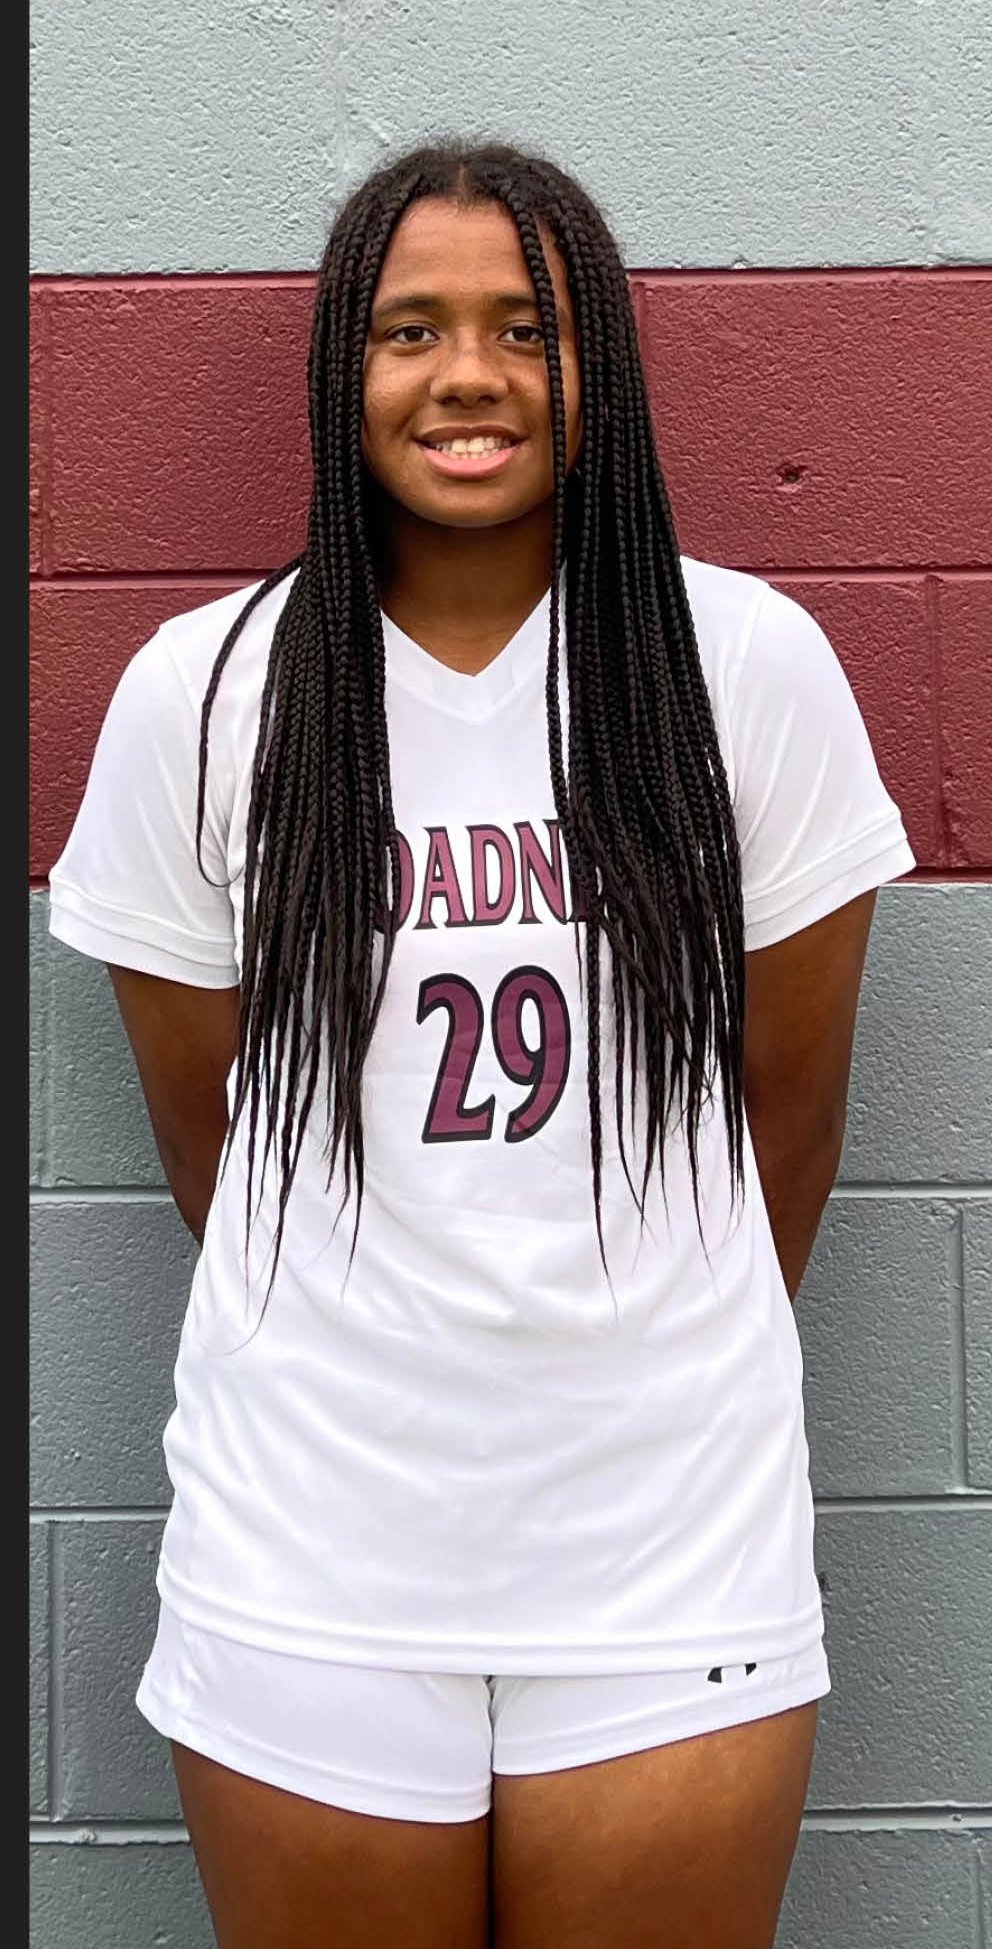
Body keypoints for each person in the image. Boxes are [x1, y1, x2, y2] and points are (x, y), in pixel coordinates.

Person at [47, 139, 908, 1947]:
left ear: (600, 364)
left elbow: (791, 1124)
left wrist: (627, 1341)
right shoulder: (203, 693)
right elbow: (213, 1140)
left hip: (672, 1544)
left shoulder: (747, 667)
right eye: (409, 328)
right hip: (316, 1538)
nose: (468, 376)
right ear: (338, 374)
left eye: (528, 327)